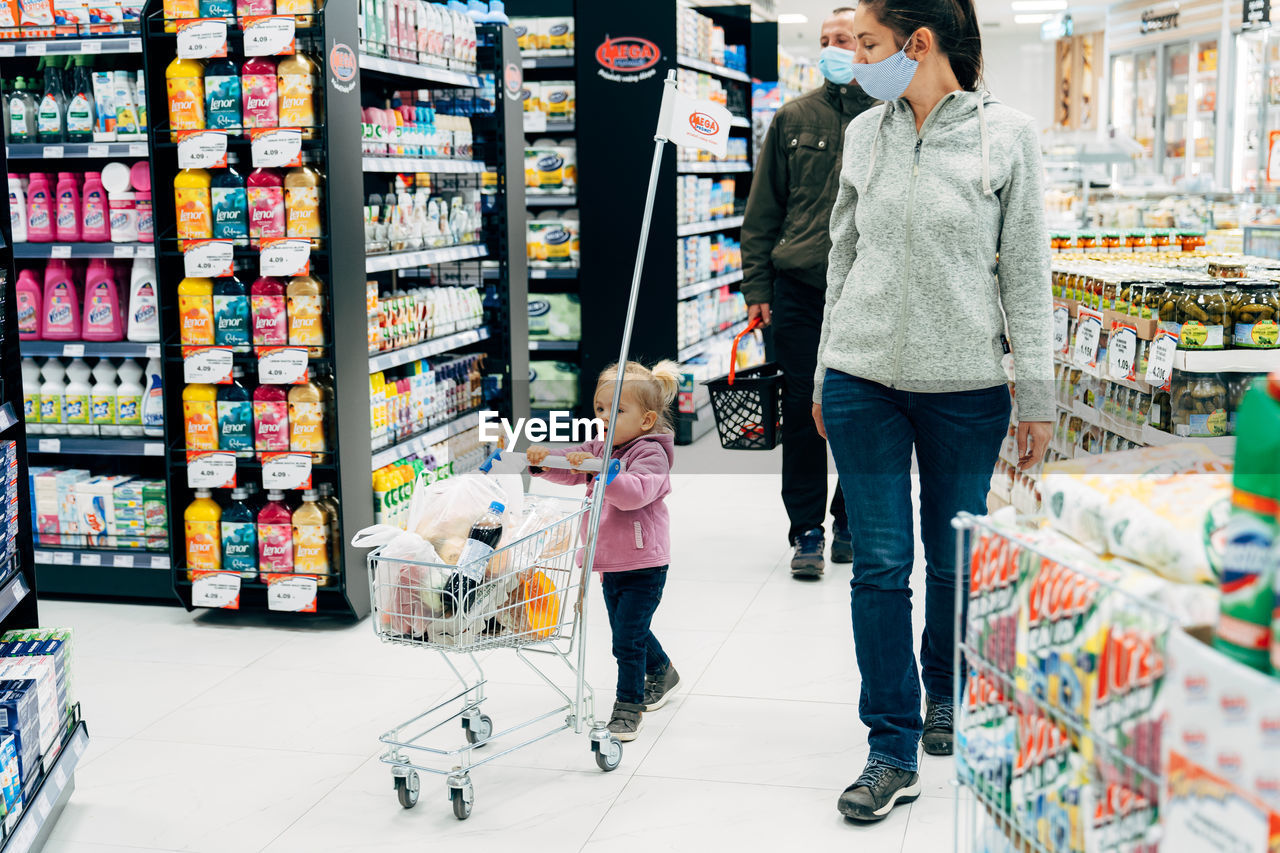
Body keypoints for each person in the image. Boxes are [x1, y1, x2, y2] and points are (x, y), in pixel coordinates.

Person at [811, 0, 1053, 822]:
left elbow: (1025, 271)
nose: (857, 57)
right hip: (862, 377)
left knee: (951, 560)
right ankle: (890, 745)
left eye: (869, 43)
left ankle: (944, 687)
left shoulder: (1008, 134)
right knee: (880, 563)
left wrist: (1041, 391)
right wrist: (821, 375)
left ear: (918, 44)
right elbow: (843, 254)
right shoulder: (863, 134)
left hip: (967, 389)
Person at [740, 7, 875, 580]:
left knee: (859, 410)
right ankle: (807, 532)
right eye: (824, 41)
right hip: (797, 288)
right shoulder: (794, 118)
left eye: (842, 39)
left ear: (867, 46)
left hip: (867, 289)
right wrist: (756, 286)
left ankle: (849, 519)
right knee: (799, 411)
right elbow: (763, 208)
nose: (832, 48)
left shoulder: (890, 116)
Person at [526, 361, 682, 742]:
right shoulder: (602, 447)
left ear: (646, 420)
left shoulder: (652, 455)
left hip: (645, 563)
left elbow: (634, 494)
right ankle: (662, 670)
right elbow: (572, 464)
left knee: (625, 640)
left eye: (616, 411)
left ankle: (628, 707)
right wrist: (544, 462)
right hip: (609, 562)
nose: (603, 418)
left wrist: (602, 472)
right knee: (628, 630)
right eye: (599, 409)